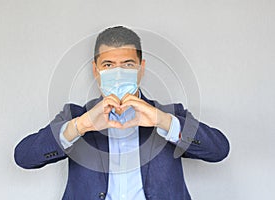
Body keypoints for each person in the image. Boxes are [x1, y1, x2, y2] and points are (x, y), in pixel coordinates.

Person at [14, 26, 230, 200]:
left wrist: (162, 121)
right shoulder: (76, 116)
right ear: (95, 70)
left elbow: (219, 150)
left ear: (141, 68)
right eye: (108, 65)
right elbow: (24, 157)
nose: (118, 74)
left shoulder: (168, 115)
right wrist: (81, 126)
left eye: (127, 65)